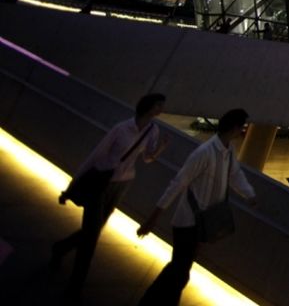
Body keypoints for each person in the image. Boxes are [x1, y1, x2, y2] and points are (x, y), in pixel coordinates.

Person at [52, 93, 169, 299]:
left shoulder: (153, 129)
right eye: (159, 105)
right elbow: (96, 155)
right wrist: (72, 186)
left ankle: (61, 247)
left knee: (94, 229)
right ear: (149, 106)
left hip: (122, 184)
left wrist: (159, 149)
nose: (161, 109)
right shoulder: (121, 129)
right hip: (101, 182)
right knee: (91, 236)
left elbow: (147, 158)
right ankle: (75, 286)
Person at [136, 108, 258, 306]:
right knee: (180, 272)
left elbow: (234, 174)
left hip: (202, 222)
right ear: (235, 128)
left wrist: (249, 194)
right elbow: (178, 183)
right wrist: (153, 218)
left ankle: (150, 301)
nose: (243, 131)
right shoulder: (204, 152)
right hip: (188, 222)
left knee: (179, 269)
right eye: (242, 127)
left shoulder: (228, 150)